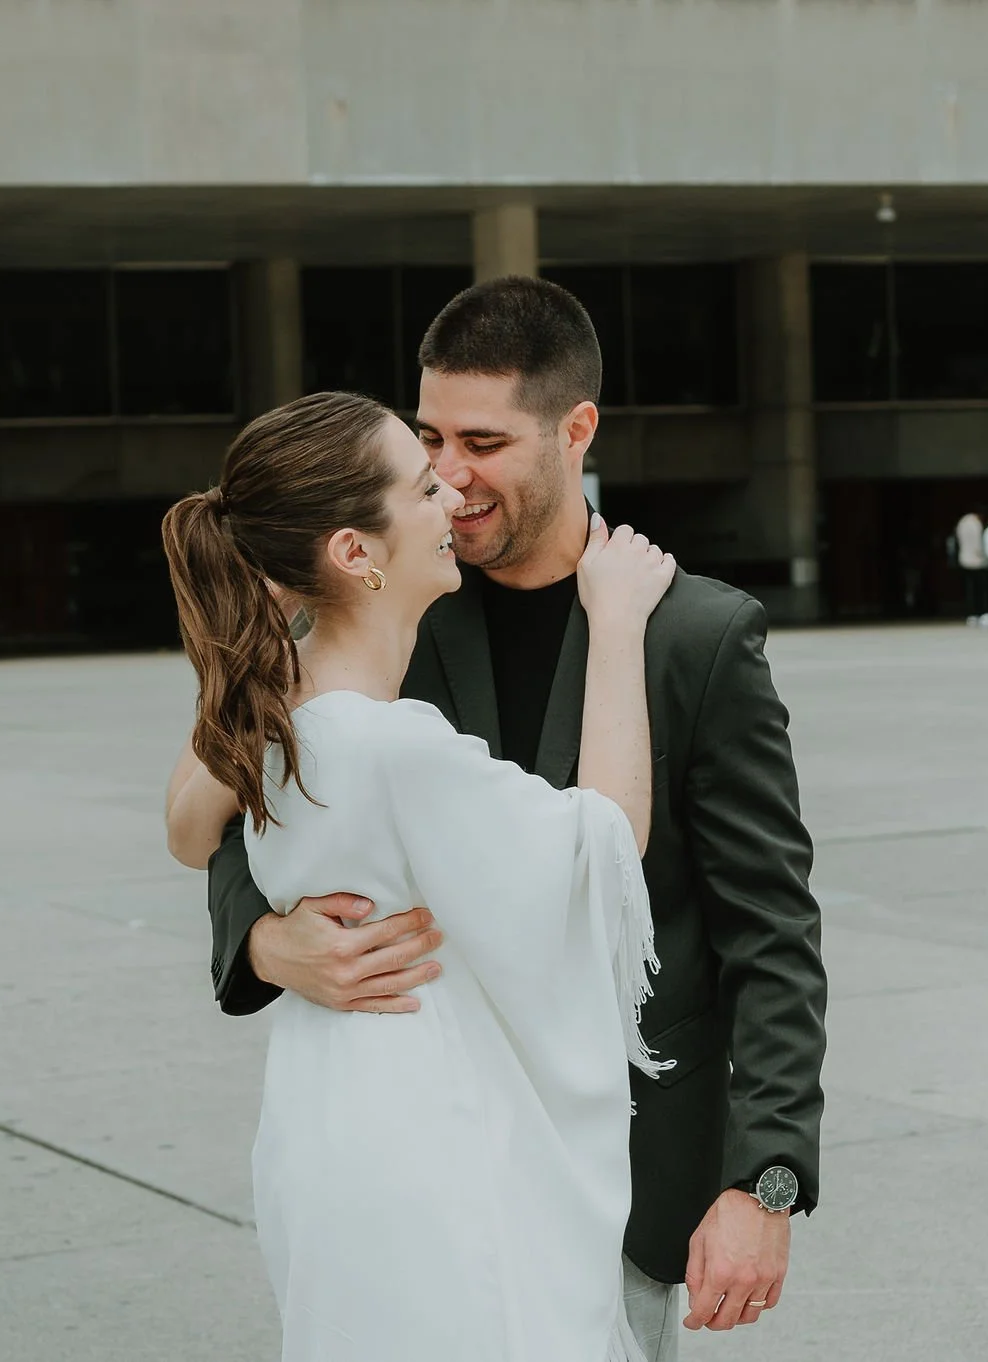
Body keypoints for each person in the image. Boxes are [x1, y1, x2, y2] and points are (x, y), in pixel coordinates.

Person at [204, 278, 827, 1362]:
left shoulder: (695, 635)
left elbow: (767, 930)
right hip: (437, 1167)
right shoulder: (393, 599)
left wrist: (761, 1179)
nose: (448, 473)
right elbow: (245, 800)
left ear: (574, 429)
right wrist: (261, 941)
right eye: (431, 436)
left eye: (483, 441)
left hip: (629, 1171)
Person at [164, 390, 678, 1359]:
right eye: (419, 482)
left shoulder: (268, 707)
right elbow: (604, 845)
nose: (447, 491)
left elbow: (191, 825)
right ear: (352, 554)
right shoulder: (389, 746)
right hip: (426, 1154)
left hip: (324, 1134)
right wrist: (613, 626)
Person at [954, 504, 988, 625]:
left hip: (964, 559)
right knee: (979, 590)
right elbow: (978, 544)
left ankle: (970, 614)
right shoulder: (975, 524)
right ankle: (979, 613)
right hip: (977, 561)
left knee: (969, 589)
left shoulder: (962, 522)